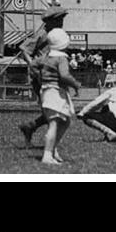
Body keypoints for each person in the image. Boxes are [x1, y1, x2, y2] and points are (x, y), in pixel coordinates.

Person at [18, 6, 70, 146]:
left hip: (53, 75)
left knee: (55, 110)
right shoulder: (43, 34)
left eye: (62, 19)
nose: (61, 22)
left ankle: (31, 127)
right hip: (42, 77)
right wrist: (34, 67)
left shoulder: (58, 33)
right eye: (58, 19)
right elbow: (24, 49)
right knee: (54, 110)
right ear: (50, 21)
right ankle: (48, 142)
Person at [37, 28, 81, 165]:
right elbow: (64, 75)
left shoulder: (46, 57)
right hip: (55, 91)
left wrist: (41, 79)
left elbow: (33, 65)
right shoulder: (61, 58)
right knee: (54, 123)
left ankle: (53, 149)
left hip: (46, 90)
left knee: (65, 121)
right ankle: (47, 154)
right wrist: (76, 84)